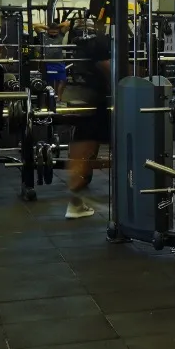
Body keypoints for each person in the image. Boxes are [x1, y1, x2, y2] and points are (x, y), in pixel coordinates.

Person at [51, 21, 110, 219]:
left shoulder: (79, 46)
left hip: (81, 100)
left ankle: (76, 201)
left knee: (83, 151)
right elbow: (107, 68)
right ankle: (75, 202)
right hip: (93, 103)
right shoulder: (97, 44)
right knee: (85, 152)